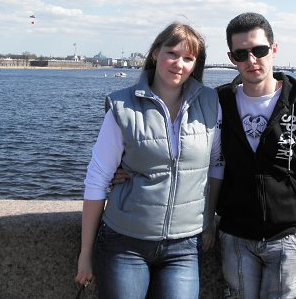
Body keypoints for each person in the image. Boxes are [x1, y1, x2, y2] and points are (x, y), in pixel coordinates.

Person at [75, 22, 224, 299]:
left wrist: (208, 220)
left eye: (188, 58)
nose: (179, 64)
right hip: (125, 242)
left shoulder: (210, 102)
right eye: (172, 54)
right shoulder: (123, 105)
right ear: (156, 53)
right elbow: (97, 179)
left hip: (184, 246)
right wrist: (85, 253)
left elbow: (216, 164)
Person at [216, 12, 296, 298]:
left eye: (259, 50)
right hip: (235, 237)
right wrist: (126, 167)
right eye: (241, 54)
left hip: (288, 238)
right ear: (231, 58)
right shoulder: (219, 102)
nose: (251, 60)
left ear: (273, 49)